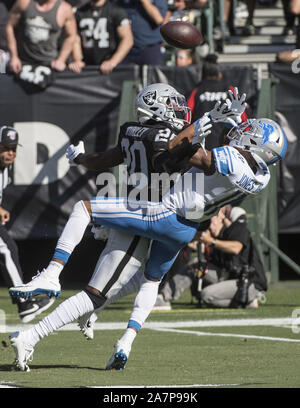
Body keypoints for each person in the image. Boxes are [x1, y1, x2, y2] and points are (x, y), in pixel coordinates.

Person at [9, 89, 287, 371]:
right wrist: (235, 119)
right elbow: (233, 145)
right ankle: (125, 341)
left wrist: (210, 118)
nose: (242, 130)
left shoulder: (230, 159)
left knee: (85, 212)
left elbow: (180, 148)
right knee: (149, 280)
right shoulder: (261, 175)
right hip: (185, 229)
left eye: (249, 130)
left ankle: (51, 277)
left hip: (165, 213)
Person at [0, 126, 54, 323]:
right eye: (5, 148)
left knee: (8, 249)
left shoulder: (5, 169)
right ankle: (24, 304)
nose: (10, 153)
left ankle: (24, 304)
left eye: (13, 149)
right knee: (7, 249)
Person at [199, 206, 268, 309]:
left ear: (222, 219)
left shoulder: (239, 230)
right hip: (233, 278)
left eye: (213, 220)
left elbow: (235, 248)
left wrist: (211, 241)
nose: (210, 225)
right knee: (197, 266)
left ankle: (246, 300)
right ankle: (243, 299)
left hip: (249, 281)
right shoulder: (221, 236)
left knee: (206, 295)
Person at [5, 0, 77, 74]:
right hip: (22, 61)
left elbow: (71, 35)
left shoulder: (65, 9)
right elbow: (9, 26)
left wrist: (61, 59)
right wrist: (13, 56)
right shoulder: (24, 3)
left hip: (49, 64)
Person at [68, 0, 134, 75]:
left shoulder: (116, 11)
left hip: (111, 68)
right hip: (87, 67)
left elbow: (127, 39)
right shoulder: (79, 12)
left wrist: (113, 61)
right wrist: (78, 60)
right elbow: (75, 38)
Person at [113, 0, 168, 66]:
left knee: (152, 75)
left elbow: (159, 19)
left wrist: (144, 1)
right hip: (124, 49)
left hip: (149, 48)